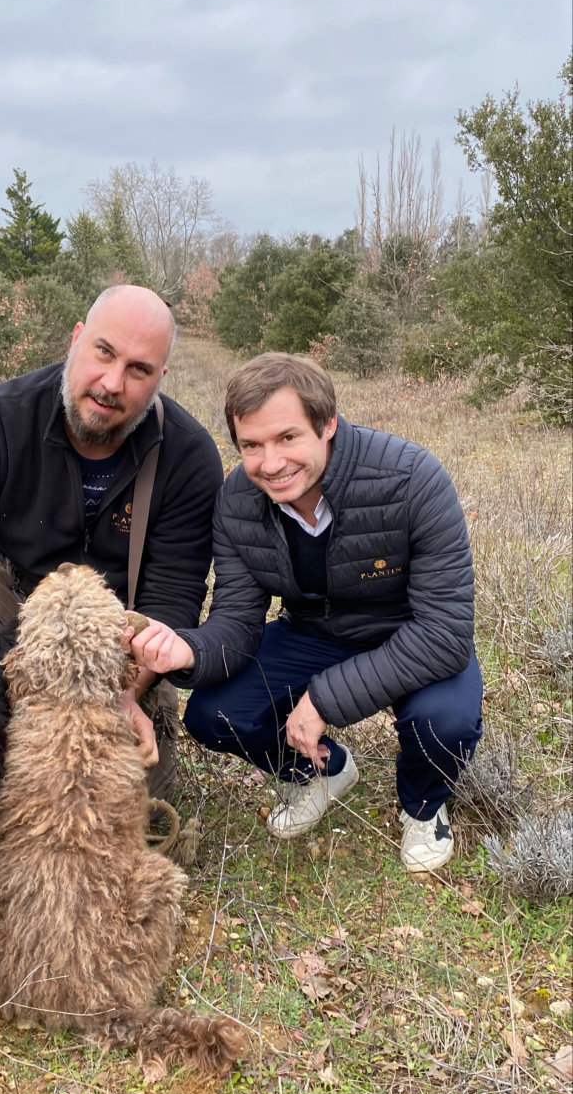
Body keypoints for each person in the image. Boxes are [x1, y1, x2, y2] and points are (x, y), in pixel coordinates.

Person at [0, 284, 224, 801]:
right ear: (76, 340)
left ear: (160, 379)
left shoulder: (187, 456)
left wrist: (123, 693)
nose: (111, 383)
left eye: (139, 370)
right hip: (18, 605)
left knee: (128, 811)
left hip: (122, 638)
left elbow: (173, 600)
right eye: (103, 352)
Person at [130, 352, 483, 871]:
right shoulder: (237, 501)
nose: (270, 464)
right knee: (212, 714)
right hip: (312, 634)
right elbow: (236, 620)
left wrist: (323, 699)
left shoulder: (412, 478)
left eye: (287, 438)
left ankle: (423, 805)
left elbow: (445, 632)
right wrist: (189, 649)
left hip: (412, 635)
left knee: (443, 721)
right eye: (251, 445)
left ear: (327, 425)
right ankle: (322, 772)